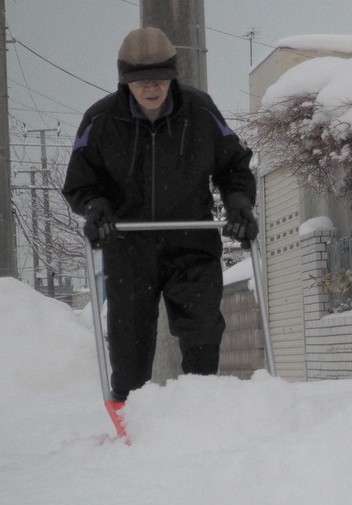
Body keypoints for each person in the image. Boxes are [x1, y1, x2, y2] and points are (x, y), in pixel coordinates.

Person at [63, 27, 257, 432]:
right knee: (129, 342)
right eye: (140, 81)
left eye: (159, 79)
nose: (151, 88)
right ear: (125, 82)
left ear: (172, 77)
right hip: (128, 245)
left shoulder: (200, 112)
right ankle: (129, 425)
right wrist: (96, 209)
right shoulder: (100, 121)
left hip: (191, 241)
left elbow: (234, 165)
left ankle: (199, 419)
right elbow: (80, 183)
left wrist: (239, 203)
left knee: (203, 329)